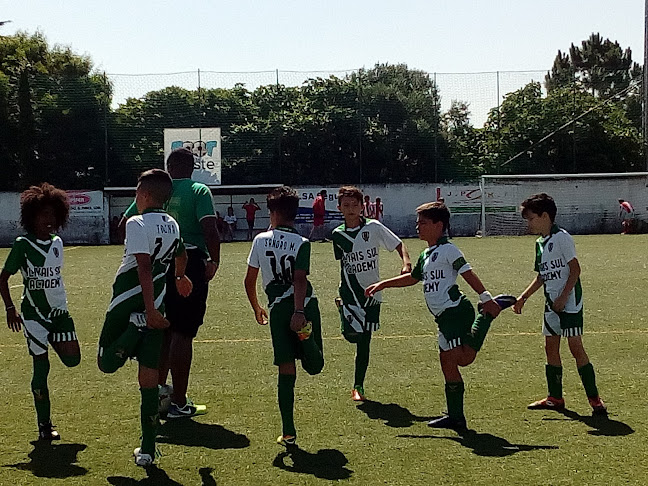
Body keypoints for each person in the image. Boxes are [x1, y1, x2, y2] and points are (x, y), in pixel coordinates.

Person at [365, 202, 515, 431]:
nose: (418, 227)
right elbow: (413, 278)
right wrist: (383, 284)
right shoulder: (426, 254)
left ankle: (486, 317)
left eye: (423, 223)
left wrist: (486, 298)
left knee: (463, 359)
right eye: (418, 222)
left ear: (439, 225)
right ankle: (456, 417)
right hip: (443, 318)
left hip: (455, 311)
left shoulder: (449, 250)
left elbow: (468, 273)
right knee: (447, 362)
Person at [98, 169, 193, 467]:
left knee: (106, 361)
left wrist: (147, 311)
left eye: (137, 194)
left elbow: (143, 268)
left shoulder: (136, 223)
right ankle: (148, 450)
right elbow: (181, 253)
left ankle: (132, 331)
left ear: (145, 195)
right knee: (149, 381)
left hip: (129, 303)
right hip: (159, 307)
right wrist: (180, 276)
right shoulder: (173, 224)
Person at [120, 147, 220, 418]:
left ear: (168, 166)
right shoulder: (199, 190)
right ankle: (178, 401)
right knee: (183, 333)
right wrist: (214, 260)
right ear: (193, 167)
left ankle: (158, 396)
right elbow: (210, 227)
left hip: (156, 265)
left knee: (162, 331)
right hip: (188, 263)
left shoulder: (156, 189)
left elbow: (125, 224)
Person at [244, 186, 324, 447]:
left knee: (286, 369)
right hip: (306, 305)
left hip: (278, 310)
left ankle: (288, 431)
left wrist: (257, 307)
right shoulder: (302, 243)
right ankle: (306, 337)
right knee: (315, 366)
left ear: (275, 213)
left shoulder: (260, 240)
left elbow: (249, 280)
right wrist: (300, 312)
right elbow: (300, 279)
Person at [0, 183, 81, 441]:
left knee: (73, 359)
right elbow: (3, 278)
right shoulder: (23, 244)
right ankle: (45, 425)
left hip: (60, 315)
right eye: (43, 214)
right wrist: (10, 308)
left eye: (53, 214)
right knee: (40, 370)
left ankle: (50, 343)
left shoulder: (58, 242)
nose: (49, 220)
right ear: (31, 217)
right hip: (34, 317)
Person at [513, 193, 607, 415]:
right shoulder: (540, 244)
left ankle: (595, 400)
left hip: (569, 303)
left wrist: (564, 296)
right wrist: (523, 297)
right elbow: (541, 276)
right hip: (550, 303)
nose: (529, 222)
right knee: (550, 348)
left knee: (576, 348)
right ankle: (555, 397)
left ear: (545, 216)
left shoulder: (562, 238)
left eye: (531, 218)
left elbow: (575, 269)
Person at [332, 186, 410, 401]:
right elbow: (344, 261)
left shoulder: (374, 227)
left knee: (365, 341)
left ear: (362, 206)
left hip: (373, 293)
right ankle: (342, 312)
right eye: (346, 205)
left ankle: (358, 386)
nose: (351, 209)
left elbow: (398, 244)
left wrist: (406, 262)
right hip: (349, 292)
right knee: (351, 336)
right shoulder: (337, 235)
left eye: (355, 205)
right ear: (339, 208)